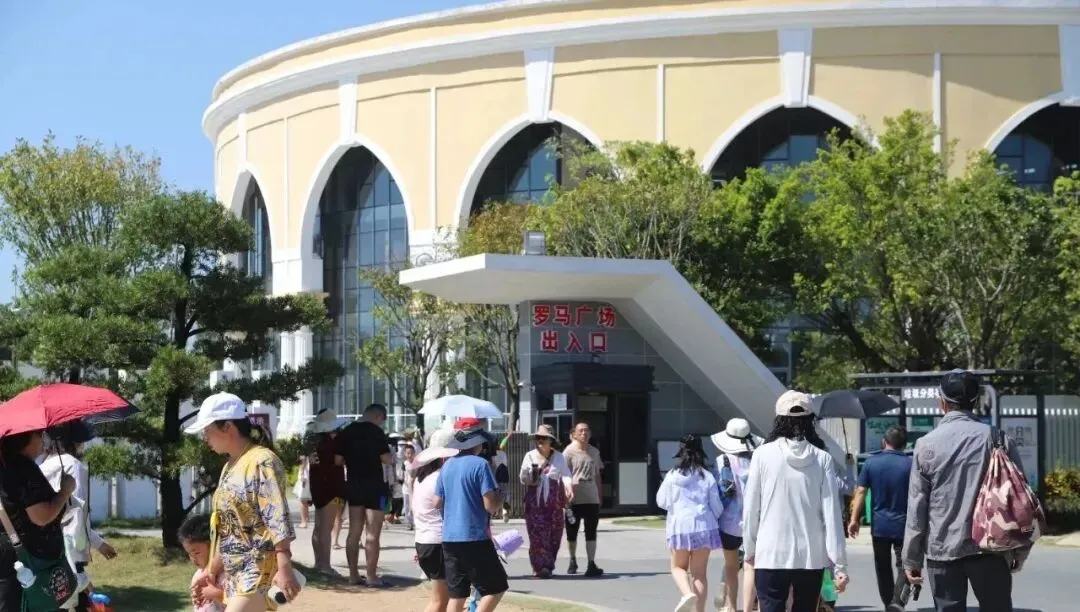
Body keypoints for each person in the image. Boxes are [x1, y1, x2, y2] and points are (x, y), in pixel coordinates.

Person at [902, 370, 1029, 612]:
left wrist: (911, 559)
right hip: (991, 548)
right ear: (975, 401)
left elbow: (916, 509)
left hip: (942, 550)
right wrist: (1019, 551)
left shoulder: (925, 445)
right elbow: (1019, 500)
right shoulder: (999, 439)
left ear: (942, 402)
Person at [184, 392, 299, 611]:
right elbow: (229, 529)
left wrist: (284, 567)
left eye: (207, 430)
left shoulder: (262, 460)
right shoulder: (229, 466)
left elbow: (277, 519)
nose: (204, 438)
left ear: (228, 426)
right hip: (234, 574)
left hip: (259, 569)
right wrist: (211, 570)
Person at [743, 390, 848, 612]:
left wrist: (750, 548)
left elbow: (751, 508)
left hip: (770, 553)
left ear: (779, 419)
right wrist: (840, 565)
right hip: (811, 556)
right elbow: (831, 514)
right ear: (810, 420)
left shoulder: (762, 455)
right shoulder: (823, 458)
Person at [39, 422, 119, 612]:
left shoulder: (42, 466)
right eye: (82, 442)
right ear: (74, 442)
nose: (83, 446)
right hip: (70, 549)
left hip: (46, 549)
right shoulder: (73, 466)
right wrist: (98, 544)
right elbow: (77, 515)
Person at [0, 429, 76, 612]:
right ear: (24, 438)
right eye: (39, 434)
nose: (44, 439)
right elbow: (41, 517)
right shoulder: (22, 468)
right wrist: (65, 492)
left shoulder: (5, 466)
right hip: (27, 557)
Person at [436, 426, 508, 612]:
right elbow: (490, 506)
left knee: (457, 594)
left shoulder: (447, 465)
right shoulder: (480, 465)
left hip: (449, 537)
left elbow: (437, 502)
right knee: (496, 587)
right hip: (474, 536)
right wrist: (500, 495)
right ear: (477, 444)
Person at [656, 434, 724, 612]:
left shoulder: (672, 475)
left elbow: (661, 501)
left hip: (680, 526)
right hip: (704, 526)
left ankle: (686, 594)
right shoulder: (707, 476)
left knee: (678, 567)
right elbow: (716, 506)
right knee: (700, 574)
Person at [847, 426, 911, 609]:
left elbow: (860, 492)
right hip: (904, 525)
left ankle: (888, 604)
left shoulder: (871, 463)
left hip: (880, 525)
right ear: (904, 444)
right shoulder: (911, 464)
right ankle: (897, 603)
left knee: (882, 567)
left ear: (884, 442)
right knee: (905, 565)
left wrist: (854, 520)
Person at [334, 403, 392, 586]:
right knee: (373, 534)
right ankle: (371, 576)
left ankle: (353, 575)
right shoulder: (376, 432)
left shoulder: (346, 431)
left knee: (354, 531)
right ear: (378, 416)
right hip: (375, 486)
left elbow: (338, 460)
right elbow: (386, 458)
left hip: (354, 485)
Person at [709, 418, 762, 612]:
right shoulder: (758, 460)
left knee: (731, 566)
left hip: (728, 523)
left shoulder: (721, 461)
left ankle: (731, 607)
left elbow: (716, 492)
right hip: (756, 522)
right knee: (751, 566)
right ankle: (750, 607)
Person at [410, 428, 459, 612]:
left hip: (424, 540)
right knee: (439, 602)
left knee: (440, 600)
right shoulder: (440, 477)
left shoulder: (421, 478)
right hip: (438, 542)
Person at [518, 424, 573, 578]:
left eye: (544, 438)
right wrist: (530, 474)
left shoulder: (559, 457)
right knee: (537, 534)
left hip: (554, 501)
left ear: (551, 441)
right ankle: (540, 567)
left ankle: (548, 564)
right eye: (538, 438)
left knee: (555, 534)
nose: (540, 441)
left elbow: (566, 475)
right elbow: (522, 478)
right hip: (534, 500)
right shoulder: (529, 456)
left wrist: (568, 487)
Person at [303, 410, 347, 574]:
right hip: (332, 485)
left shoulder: (313, 441)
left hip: (317, 485)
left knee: (318, 526)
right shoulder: (333, 442)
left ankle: (318, 562)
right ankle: (326, 566)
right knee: (326, 529)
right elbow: (338, 461)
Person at [562, 421, 604, 577]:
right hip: (574, 497)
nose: (584, 433)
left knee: (591, 531)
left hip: (591, 496)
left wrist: (599, 494)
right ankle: (572, 560)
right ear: (574, 434)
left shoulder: (594, 452)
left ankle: (591, 563)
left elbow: (597, 474)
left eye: (586, 430)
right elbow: (563, 475)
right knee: (571, 531)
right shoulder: (568, 452)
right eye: (580, 431)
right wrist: (565, 495)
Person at [179, 513, 226, 612]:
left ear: (213, 546)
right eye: (189, 553)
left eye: (196, 553)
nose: (192, 558)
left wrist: (217, 594)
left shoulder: (226, 575)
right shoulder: (198, 575)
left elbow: (239, 603)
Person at [292, 455, 311, 529]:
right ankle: (305, 519)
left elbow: (303, 477)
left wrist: (302, 474)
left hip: (304, 483)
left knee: (303, 502)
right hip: (305, 483)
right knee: (305, 502)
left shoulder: (305, 465)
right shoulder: (305, 464)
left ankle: (304, 522)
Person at [400, 444, 415, 531]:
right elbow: (402, 475)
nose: (410, 455)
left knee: (414, 505)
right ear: (405, 454)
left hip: (415, 489)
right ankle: (409, 522)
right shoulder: (404, 463)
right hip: (406, 488)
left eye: (411, 453)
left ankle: (415, 521)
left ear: (414, 453)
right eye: (408, 453)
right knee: (406, 506)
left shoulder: (417, 463)